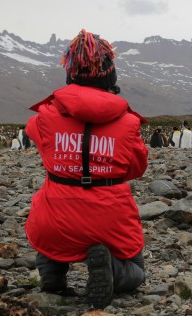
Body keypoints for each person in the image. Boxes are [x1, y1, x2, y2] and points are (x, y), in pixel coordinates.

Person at [24, 29, 148, 309]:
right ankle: (114, 271)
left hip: (56, 219)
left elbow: (35, 134)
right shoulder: (128, 122)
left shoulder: (46, 116)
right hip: (109, 219)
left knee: (46, 226)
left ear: (69, 73)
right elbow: (137, 168)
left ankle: (52, 274)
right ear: (110, 75)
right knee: (137, 268)